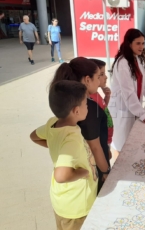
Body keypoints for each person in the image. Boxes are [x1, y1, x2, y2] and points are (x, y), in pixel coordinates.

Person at [29, 80, 98, 230]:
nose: (88, 107)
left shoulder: (52, 123)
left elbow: (34, 135)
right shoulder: (71, 138)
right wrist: (83, 172)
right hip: (76, 206)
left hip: (62, 200)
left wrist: (55, 148)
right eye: (85, 104)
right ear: (76, 111)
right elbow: (61, 176)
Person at [51, 57, 110, 193]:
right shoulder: (88, 108)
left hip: (83, 164)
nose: (100, 80)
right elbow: (95, 147)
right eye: (98, 76)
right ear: (87, 80)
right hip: (94, 168)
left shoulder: (70, 103)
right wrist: (106, 171)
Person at [108, 28, 145, 153]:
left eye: (143, 43)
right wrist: (142, 113)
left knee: (131, 143)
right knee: (121, 145)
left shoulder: (137, 59)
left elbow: (144, 84)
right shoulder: (123, 63)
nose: (141, 46)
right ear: (129, 44)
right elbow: (128, 92)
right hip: (123, 109)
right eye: (138, 43)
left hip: (133, 108)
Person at [89, 59, 115, 164]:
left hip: (106, 140)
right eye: (102, 74)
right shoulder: (90, 98)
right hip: (101, 143)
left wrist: (107, 97)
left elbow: (102, 110)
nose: (106, 77)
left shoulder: (96, 93)